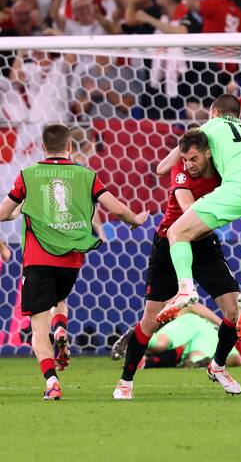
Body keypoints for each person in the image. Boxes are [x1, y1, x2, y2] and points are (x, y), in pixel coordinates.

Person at [0, 124, 148, 400]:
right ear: (70, 147)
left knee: (37, 329)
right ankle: (61, 328)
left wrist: (15, 211)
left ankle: (51, 381)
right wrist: (135, 219)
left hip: (37, 260)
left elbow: (4, 213)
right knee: (60, 300)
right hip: (70, 262)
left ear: (43, 148)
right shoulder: (86, 175)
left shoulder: (28, 175)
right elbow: (113, 206)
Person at [113, 130, 241, 399]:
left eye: (193, 158)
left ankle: (217, 366)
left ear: (208, 153)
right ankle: (125, 382)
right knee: (150, 319)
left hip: (205, 245)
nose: (188, 164)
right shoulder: (180, 172)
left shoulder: (223, 171)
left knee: (234, 312)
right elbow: (188, 208)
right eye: (184, 158)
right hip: (169, 243)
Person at [156, 94, 241, 346]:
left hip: (240, 187)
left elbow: (163, 167)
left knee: (178, 232)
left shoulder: (210, 127)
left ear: (214, 113)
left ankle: (185, 288)